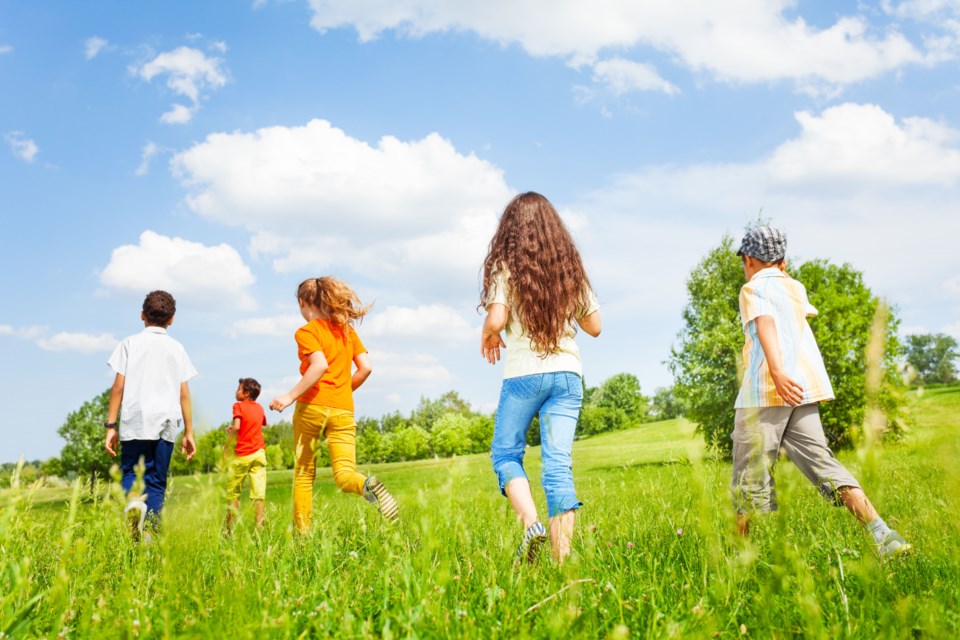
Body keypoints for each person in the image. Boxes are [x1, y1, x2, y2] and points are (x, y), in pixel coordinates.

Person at [731, 226, 911, 558]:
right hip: (803, 391)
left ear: (750, 259)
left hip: (766, 392)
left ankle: (740, 559)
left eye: (744, 260)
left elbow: (766, 322)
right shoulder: (795, 288)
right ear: (783, 262)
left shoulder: (751, 289)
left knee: (748, 477)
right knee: (824, 464)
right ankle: (884, 535)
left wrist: (776, 370)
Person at [480, 192, 602, 564]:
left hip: (524, 376)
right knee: (558, 462)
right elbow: (594, 326)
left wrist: (487, 333)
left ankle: (531, 523)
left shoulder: (505, 265)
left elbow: (498, 319)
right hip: (567, 374)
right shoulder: (569, 268)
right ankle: (562, 561)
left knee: (505, 453)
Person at [269, 276, 398, 532]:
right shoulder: (348, 331)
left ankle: (303, 537)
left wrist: (289, 396)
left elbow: (319, 366)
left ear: (303, 303)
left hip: (312, 408)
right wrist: (340, 391)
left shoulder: (306, 332)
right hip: (343, 410)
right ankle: (367, 485)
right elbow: (366, 368)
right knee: (345, 475)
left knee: (304, 475)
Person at [105, 290, 198, 540]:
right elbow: (184, 394)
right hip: (166, 422)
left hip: (134, 420)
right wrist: (189, 431)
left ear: (142, 315)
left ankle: (134, 506)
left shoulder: (129, 344)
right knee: (156, 482)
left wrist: (110, 425)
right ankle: (150, 536)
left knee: (129, 473)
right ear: (172, 319)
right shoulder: (177, 348)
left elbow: (118, 387)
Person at [223, 377, 268, 533]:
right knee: (258, 492)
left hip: (242, 455)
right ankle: (260, 526)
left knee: (233, 493)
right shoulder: (260, 408)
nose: (236, 391)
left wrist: (227, 447)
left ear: (246, 393)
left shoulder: (238, 406)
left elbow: (237, 428)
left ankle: (229, 530)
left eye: (239, 389)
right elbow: (255, 425)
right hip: (259, 454)